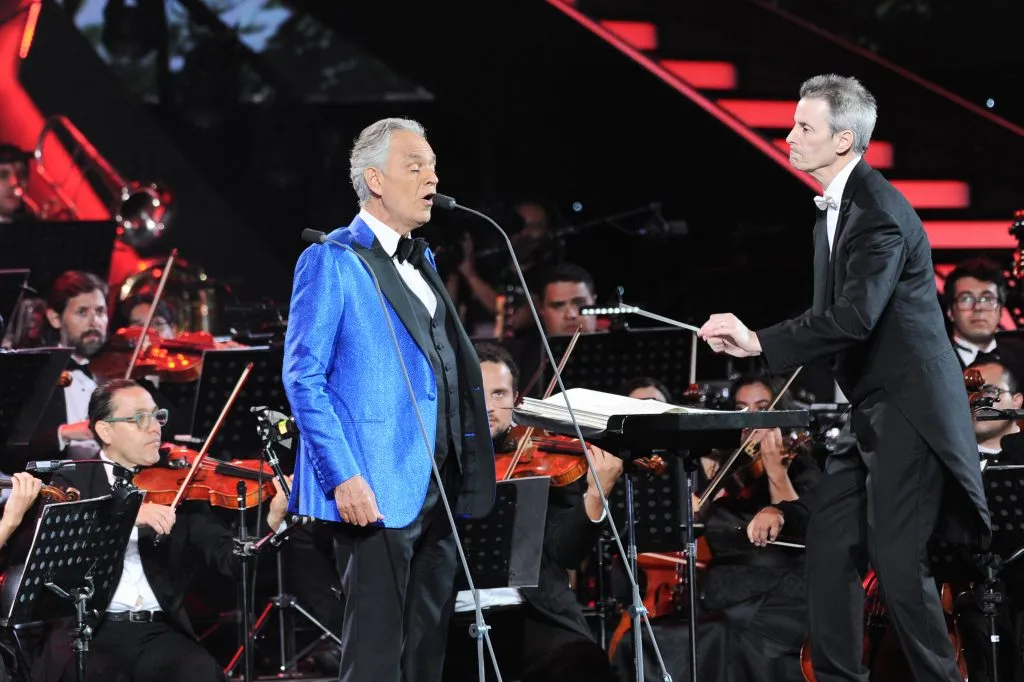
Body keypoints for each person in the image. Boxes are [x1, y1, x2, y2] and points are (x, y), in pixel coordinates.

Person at [700, 73, 990, 682]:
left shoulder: (878, 212)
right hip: (872, 412)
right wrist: (761, 341)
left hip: (910, 411)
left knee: (898, 562)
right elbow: (831, 317)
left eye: (805, 127)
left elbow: (856, 317)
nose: (789, 136)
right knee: (830, 548)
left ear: (844, 140)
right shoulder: (836, 212)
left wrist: (760, 341)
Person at [282, 117, 496, 682]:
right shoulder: (332, 259)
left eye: (432, 166)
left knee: (426, 655)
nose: (432, 177)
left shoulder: (422, 260)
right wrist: (342, 476)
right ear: (375, 180)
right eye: (415, 166)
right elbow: (304, 378)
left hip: (439, 483)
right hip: (374, 485)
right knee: (376, 656)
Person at [33, 378, 289, 682]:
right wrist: (128, 516)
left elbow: (229, 559)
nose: (155, 427)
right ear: (105, 430)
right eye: (140, 418)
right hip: (90, 633)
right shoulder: (70, 482)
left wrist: (272, 519)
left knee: (203, 674)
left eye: (157, 416)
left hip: (158, 631)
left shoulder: (178, 483)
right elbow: (57, 553)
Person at [444, 342, 622, 681]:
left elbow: (566, 550)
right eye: (478, 393)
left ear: (516, 400)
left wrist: (596, 495)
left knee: (579, 662)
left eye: (499, 394)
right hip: (453, 617)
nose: (489, 406)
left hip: (529, 612)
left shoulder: (537, 464)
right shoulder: (438, 463)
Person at [942, 257, 1024, 370]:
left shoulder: (1019, 363)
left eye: (987, 299)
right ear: (950, 311)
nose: (978, 308)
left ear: (1000, 310)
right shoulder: (932, 365)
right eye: (966, 299)